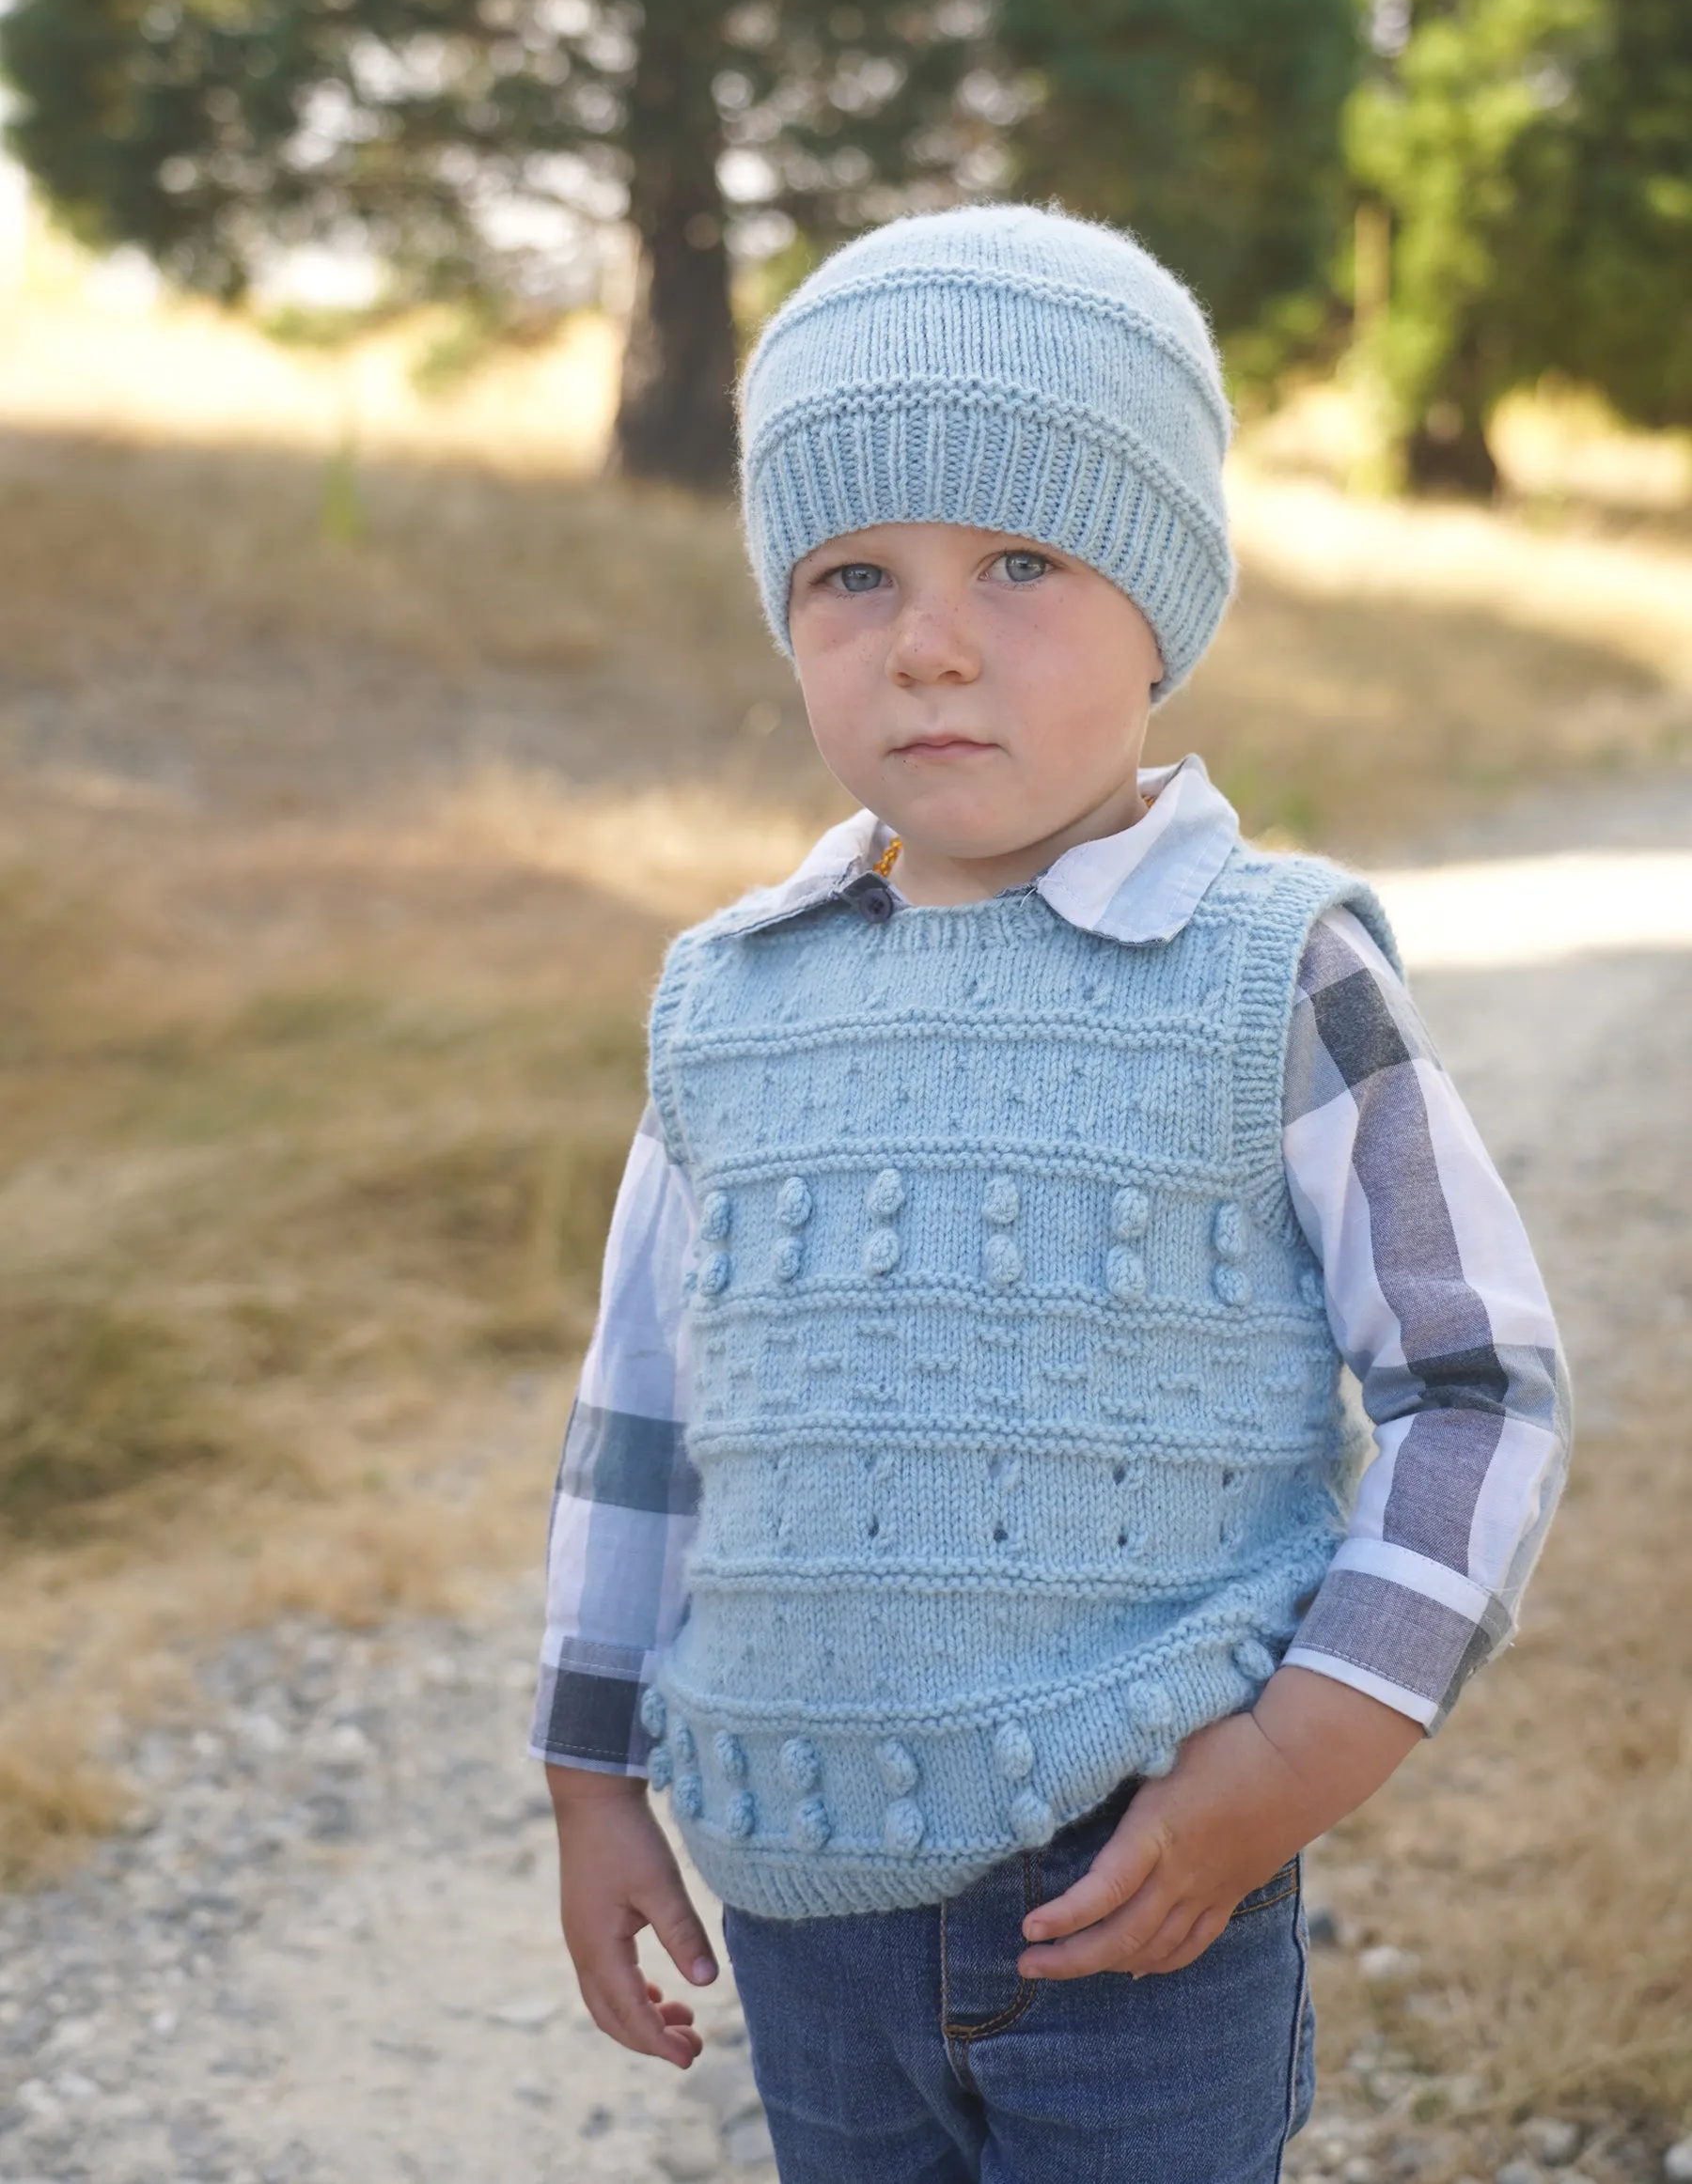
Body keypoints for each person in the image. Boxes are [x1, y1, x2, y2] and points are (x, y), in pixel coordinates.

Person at [531, 206, 1570, 2183]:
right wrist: (592, 1772)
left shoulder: (1267, 968)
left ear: (1162, 596)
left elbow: (1479, 1388)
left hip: (1142, 1889)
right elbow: (642, 1420)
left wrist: (1301, 1756)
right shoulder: (733, 996)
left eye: (1021, 560)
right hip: (799, 1896)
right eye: (854, 575)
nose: (929, 640)